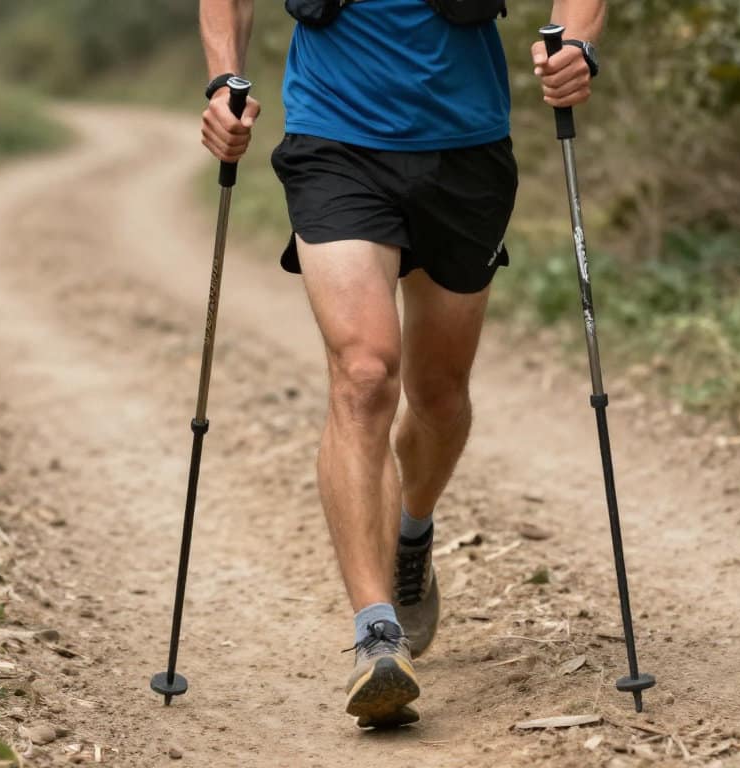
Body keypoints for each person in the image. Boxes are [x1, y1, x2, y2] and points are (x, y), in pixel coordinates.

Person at [198, 0, 604, 729]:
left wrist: (576, 45)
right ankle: (375, 633)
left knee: (439, 396)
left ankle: (411, 532)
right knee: (364, 374)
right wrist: (222, 78)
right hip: (335, 143)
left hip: (466, 151)